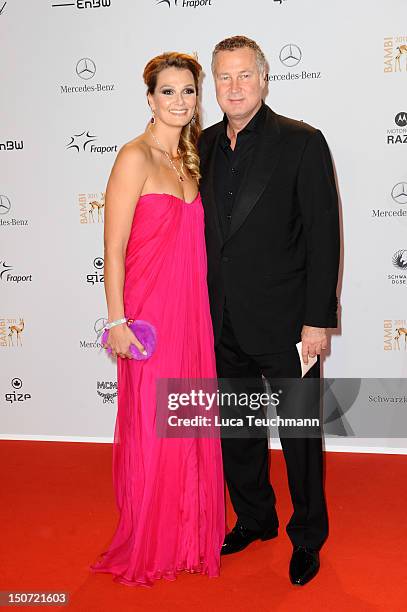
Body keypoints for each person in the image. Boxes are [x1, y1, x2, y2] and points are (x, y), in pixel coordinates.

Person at [199, 36, 340, 586]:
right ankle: (255, 519)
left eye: (243, 76)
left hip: (288, 323)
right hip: (222, 319)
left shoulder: (301, 143)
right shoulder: (203, 146)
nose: (234, 88)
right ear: (215, 85)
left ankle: (307, 537)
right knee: (238, 431)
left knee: (301, 436)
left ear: (263, 79)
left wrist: (317, 319)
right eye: (224, 78)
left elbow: (324, 238)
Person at [90, 52, 225, 587]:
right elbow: (113, 248)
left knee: (187, 422)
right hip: (149, 317)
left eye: (188, 91)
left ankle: (188, 536)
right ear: (149, 99)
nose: (179, 101)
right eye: (167, 91)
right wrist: (116, 320)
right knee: (153, 427)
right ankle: (153, 539)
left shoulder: (192, 160)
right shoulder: (134, 157)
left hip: (193, 314)